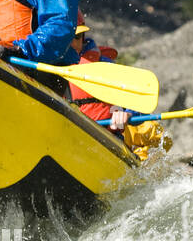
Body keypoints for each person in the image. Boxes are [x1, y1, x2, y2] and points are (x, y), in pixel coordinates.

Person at [68, 14, 171, 161]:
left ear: (83, 38)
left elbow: (136, 103)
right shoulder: (46, 64)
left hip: (105, 136)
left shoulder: (102, 65)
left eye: (77, 37)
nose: (73, 44)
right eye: (67, 38)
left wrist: (126, 114)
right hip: (69, 133)